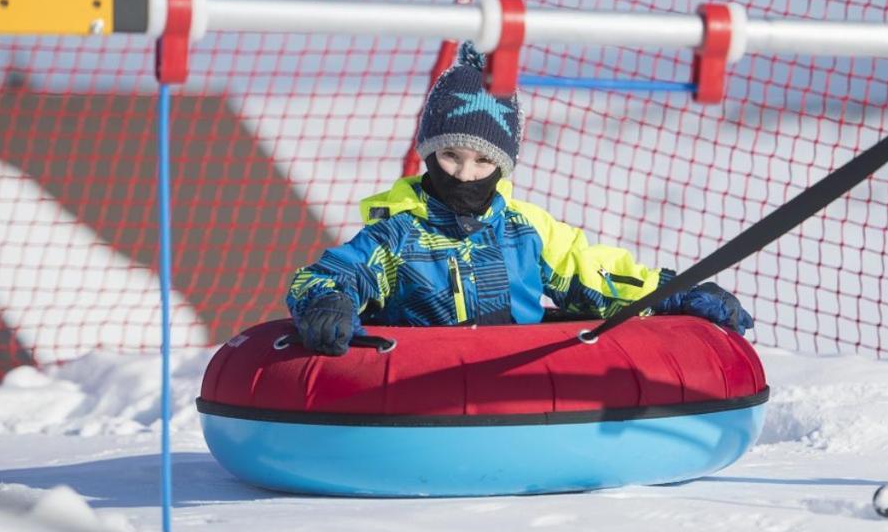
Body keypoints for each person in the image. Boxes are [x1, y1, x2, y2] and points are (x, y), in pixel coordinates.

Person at [285, 46, 753, 355]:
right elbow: (329, 276)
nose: (464, 174)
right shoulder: (397, 233)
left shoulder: (525, 230)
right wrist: (327, 303)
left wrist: (677, 292)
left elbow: (596, 276)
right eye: (449, 155)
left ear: (503, 166)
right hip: (415, 385)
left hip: (513, 389)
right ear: (428, 151)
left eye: (481, 162)